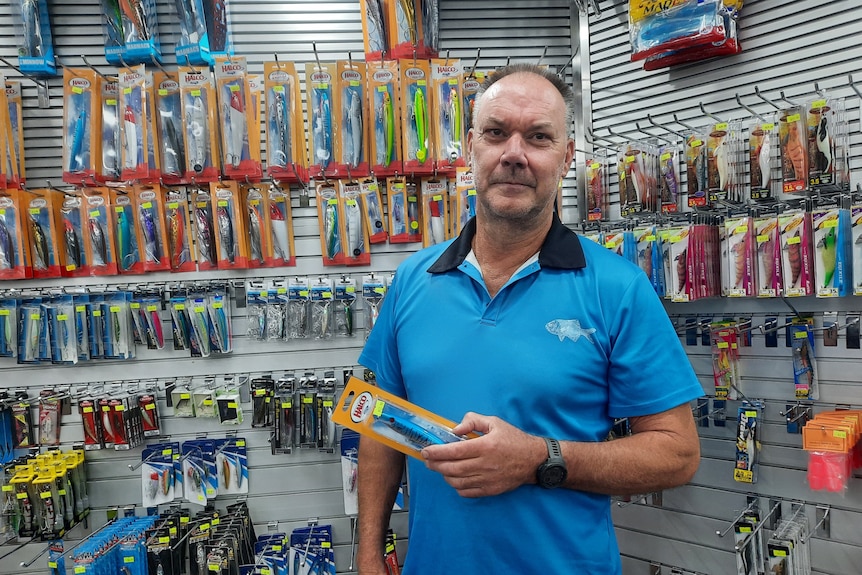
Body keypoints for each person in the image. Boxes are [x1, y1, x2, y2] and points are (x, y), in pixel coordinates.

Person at [356, 63, 704, 575]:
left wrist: (539, 458)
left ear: (565, 159)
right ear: (471, 145)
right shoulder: (412, 280)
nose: (514, 154)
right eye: (497, 133)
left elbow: (678, 454)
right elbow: (376, 420)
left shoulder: (617, 288)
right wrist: (367, 553)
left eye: (538, 138)